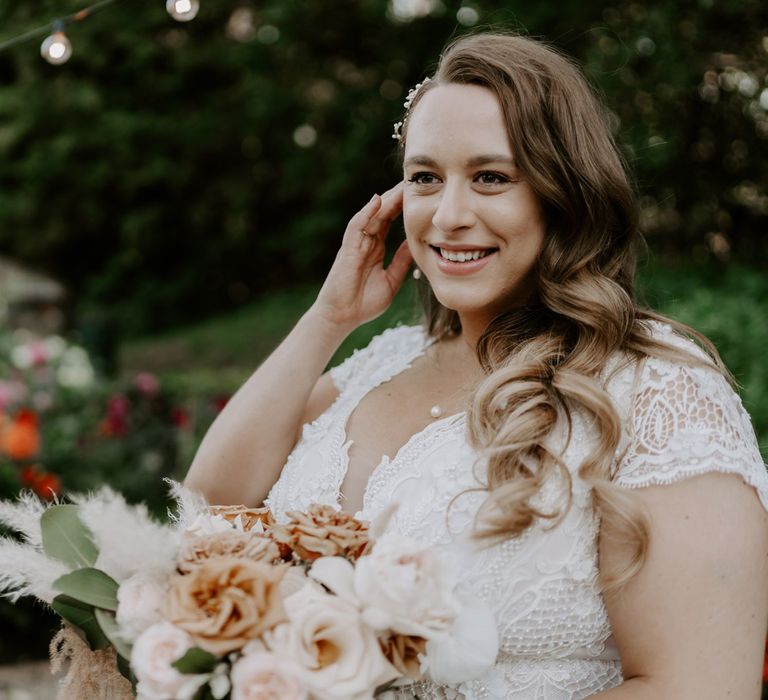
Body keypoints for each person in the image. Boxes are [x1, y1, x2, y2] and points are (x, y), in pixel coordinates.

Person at [184, 31, 768, 699]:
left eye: (490, 177)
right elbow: (208, 514)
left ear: (562, 193)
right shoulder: (382, 363)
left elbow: (702, 686)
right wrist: (328, 320)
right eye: (425, 178)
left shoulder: (657, 391)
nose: (449, 215)